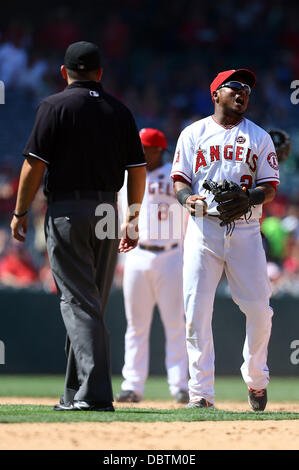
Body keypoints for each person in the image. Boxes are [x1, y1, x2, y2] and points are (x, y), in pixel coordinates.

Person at [10, 41, 146, 412]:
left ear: (63, 72)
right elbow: (137, 169)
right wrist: (133, 217)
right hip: (107, 209)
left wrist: (21, 212)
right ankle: (74, 391)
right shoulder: (119, 110)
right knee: (92, 304)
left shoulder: (53, 106)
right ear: (100, 73)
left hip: (69, 209)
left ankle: (94, 394)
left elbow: (33, 166)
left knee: (78, 303)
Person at [171, 69, 280, 411]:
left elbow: (270, 187)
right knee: (195, 312)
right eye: (235, 86)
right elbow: (180, 181)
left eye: (247, 88)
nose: (243, 92)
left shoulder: (259, 137)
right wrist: (187, 199)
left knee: (260, 310)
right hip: (203, 229)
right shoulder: (192, 134)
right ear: (215, 93)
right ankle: (200, 393)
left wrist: (250, 198)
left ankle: (256, 379)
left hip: (246, 230)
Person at [116, 128, 189, 404]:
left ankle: (180, 386)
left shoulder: (175, 174)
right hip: (137, 254)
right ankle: (132, 386)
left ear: (158, 149)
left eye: (146, 147)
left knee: (175, 325)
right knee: (136, 325)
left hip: (172, 255)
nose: (141, 151)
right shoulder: (127, 176)